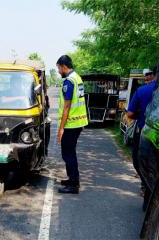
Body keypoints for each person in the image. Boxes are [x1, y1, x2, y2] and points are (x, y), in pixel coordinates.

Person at [56, 55, 88, 194]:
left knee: (68, 154)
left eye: (58, 68)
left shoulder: (69, 81)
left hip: (71, 124)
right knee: (70, 153)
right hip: (79, 122)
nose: (58, 72)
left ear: (64, 66)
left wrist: (61, 129)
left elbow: (67, 107)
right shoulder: (77, 77)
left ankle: (73, 185)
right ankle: (72, 179)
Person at [127, 67, 156, 195]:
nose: (146, 77)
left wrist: (140, 116)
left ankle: (146, 185)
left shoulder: (142, 90)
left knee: (139, 160)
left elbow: (130, 113)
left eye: (149, 75)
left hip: (144, 131)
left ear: (153, 75)